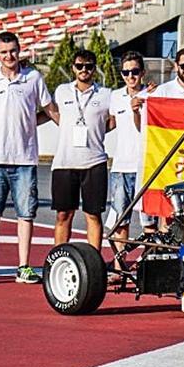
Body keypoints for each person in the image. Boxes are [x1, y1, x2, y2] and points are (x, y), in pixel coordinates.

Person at [0, 31, 58, 285]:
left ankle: (24, 266)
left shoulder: (33, 78)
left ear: (20, 51)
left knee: (26, 214)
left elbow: (49, 110)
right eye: (4, 52)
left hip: (25, 159)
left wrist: (72, 130)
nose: (9, 56)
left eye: (13, 51)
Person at [51, 49, 111, 250]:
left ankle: (93, 260)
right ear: (73, 68)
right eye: (79, 66)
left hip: (94, 162)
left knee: (93, 215)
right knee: (63, 215)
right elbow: (52, 112)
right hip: (64, 162)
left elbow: (114, 120)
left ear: (95, 69)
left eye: (88, 66)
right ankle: (58, 257)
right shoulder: (61, 91)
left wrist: (98, 130)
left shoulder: (106, 94)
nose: (84, 70)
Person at [105, 51, 156, 257]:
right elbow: (109, 124)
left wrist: (137, 109)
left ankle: (150, 266)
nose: (130, 76)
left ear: (142, 72)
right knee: (120, 221)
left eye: (134, 71)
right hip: (120, 167)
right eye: (126, 72)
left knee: (149, 222)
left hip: (145, 167)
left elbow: (143, 130)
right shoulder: (116, 96)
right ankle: (119, 267)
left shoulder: (152, 95)